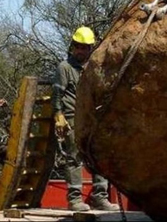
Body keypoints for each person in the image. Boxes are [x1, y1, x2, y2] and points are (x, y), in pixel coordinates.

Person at [51, 26, 119, 212]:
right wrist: (58, 115)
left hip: (92, 119)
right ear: (73, 47)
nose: (80, 51)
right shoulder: (65, 68)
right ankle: (74, 200)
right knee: (73, 158)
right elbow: (57, 93)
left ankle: (99, 197)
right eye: (78, 47)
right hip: (72, 118)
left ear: (91, 48)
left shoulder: (93, 67)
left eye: (84, 47)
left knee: (98, 156)